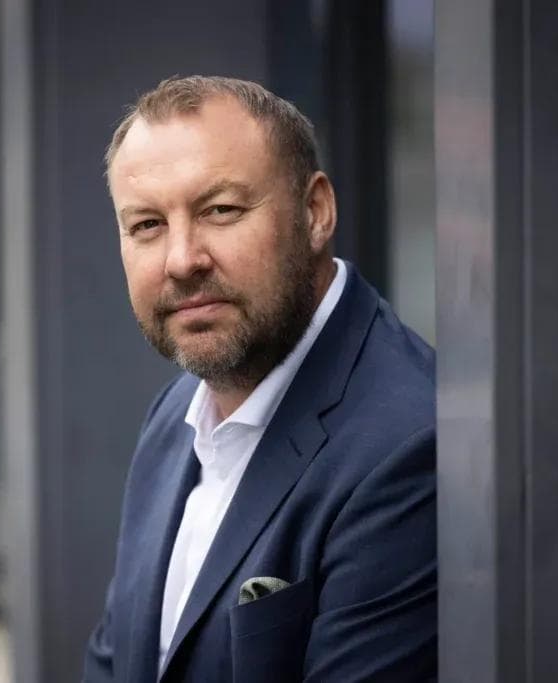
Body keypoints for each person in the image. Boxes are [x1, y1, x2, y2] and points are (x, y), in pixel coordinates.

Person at [84, 76, 436, 682]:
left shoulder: (409, 448)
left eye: (220, 210)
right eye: (146, 225)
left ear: (315, 212)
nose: (181, 260)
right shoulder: (174, 416)